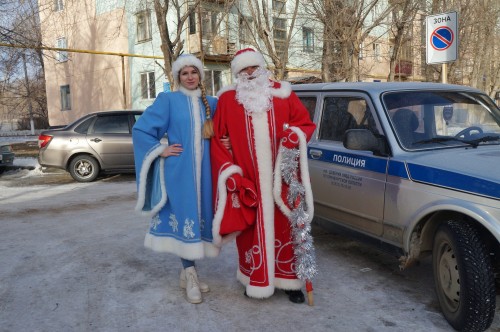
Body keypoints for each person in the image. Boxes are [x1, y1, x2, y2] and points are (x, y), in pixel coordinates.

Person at [210, 48, 317, 303]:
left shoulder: (284, 93)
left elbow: (305, 124)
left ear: (261, 68)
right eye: (243, 69)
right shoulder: (227, 100)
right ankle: (253, 278)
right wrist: (231, 173)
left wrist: (295, 136)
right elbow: (217, 140)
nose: (249, 73)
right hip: (249, 182)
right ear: (236, 72)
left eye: (253, 68)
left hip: (283, 178)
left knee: (288, 229)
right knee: (250, 233)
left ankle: (291, 283)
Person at [132, 54, 219, 304]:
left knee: (201, 217)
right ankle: (190, 273)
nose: (190, 77)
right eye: (184, 73)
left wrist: (225, 141)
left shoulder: (212, 102)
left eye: (194, 72)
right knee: (184, 217)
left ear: (200, 76)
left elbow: (223, 130)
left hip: (206, 174)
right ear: (177, 77)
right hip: (179, 172)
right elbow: (141, 130)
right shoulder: (168, 100)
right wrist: (162, 149)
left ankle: (186, 273)